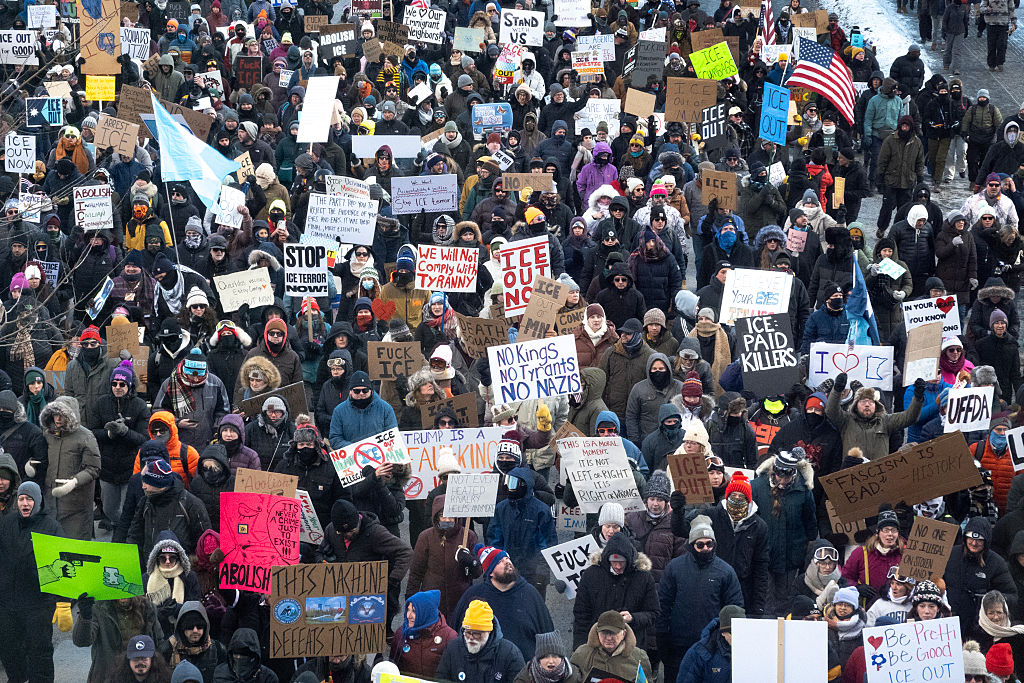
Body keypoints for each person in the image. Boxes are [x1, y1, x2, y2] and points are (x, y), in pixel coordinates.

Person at [657, 515, 744, 683]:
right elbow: (663, 605)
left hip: (711, 647)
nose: (705, 548)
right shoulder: (674, 568)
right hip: (678, 645)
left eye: (709, 543)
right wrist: (662, 638)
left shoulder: (725, 571)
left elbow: (735, 608)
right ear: (691, 545)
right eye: (700, 544)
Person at [0, 482, 64, 682]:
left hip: (38, 604)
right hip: (8, 602)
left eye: (29, 499)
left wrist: (63, 601)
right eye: (21, 499)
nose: (25, 503)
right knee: (8, 647)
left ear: (38, 501)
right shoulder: (7, 523)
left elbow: (63, 565)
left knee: (40, 651)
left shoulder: (51, 527)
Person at [317, 500, 413, 632]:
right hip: (342, 593)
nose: (348, 535)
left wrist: (391, 581)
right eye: (342, 533)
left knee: (368, 638)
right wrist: (321, 562)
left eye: (351, 530)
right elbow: (320, 552)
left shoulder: (375, 533)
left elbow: (405, 552)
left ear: (358, 521)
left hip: (368, 597)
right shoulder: (331, 530)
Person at [452, 545, 554, 661]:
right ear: (490, 572)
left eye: (507, 559)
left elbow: (548, 634)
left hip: (524, 672)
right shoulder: (473, 596)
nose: (507, 563)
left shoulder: (530, 593)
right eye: (500, 562)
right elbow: (456, 634)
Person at [39, 395, 101, 539]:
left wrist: (74, 481)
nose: (58, 418)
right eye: (55, 414)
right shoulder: (48, 434)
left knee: (76, 550)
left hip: (76, 506)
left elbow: (94, 468)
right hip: (51, 501)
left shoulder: (86, 436)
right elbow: (44, 459)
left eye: (63, 415)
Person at [436, 599, 526, 683]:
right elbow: (440, 678)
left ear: (489, 632)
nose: (470, 637)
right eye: (467, 632)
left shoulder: (510, 654)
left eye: (476, 633)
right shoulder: (453, 649)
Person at [389, 590, 457, 679]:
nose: (409, 615)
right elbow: (393, 668)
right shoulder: (401, 633)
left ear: (426, 612)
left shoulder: (449, 637)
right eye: (408, 610)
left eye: (414, 611)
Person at [569, 610, 652, 683]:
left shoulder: (639, 657)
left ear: (624, 633)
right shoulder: (582, 653)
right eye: (604, 633)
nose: (608, 638)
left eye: (613, 633)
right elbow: (571, 679)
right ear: (597, 633)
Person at [676, 605, 744, 683]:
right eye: (732, 632)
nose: (736, 636)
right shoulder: (700, 652)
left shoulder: (754, 650)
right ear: (723, 632)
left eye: (740, 631)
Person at [212, 628, 279, 682]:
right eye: (236, 653)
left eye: (244, 655)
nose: (238, 657)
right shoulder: (220, 673)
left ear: (253, 656)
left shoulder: (267, 677)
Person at [514, 632, 580, 683]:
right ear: (538, 659)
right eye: (545, 657)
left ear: (562, 658)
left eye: (555, 656)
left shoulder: (574, 675)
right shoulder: (525, 677)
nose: (551, 661)